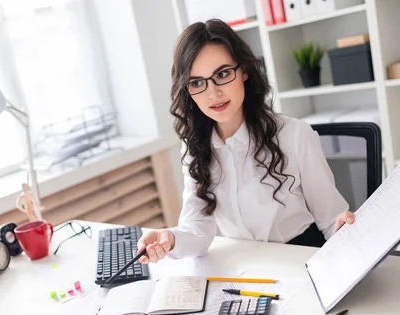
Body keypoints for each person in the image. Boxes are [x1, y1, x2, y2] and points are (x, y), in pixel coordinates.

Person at [138, 19, 354, 264]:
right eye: (197, 82)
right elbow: (197, 229)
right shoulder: (195, 148)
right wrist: (170, 238)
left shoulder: (294, 135)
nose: (213, 93)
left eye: (222, 74)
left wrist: (344, 233)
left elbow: (332, 219)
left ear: (244, 72)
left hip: (303, 258)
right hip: (246, 267)